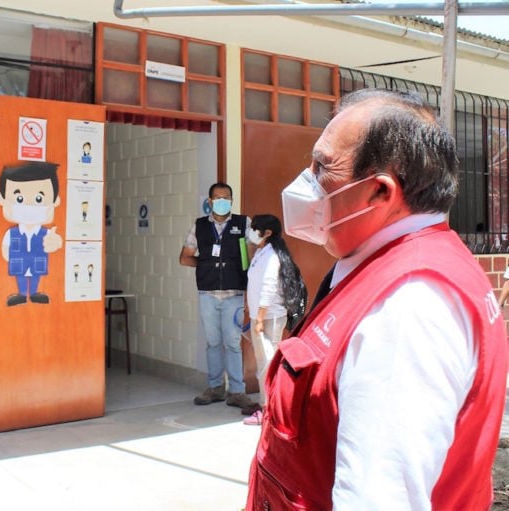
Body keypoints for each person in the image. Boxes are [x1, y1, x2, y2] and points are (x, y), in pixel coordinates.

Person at [246, 88, 509, 510]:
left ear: (381, 192)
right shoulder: (383, 264)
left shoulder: (407, 306)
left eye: (322, 167)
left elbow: (378, 497)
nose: (305, 180)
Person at [180, 182, 256, 410]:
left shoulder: (244, 224)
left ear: (231, 201)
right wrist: (206, 266)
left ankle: (237, 391)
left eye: (227, 197)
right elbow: (185, 257)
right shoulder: (200, 226)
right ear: (210, 202)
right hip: (208, 293)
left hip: (234, 293)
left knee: (233, 343)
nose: (223, 201)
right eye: (218, 198)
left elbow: (254, 255)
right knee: (213, 342)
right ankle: (215, 388)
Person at [242, 214, 303, 425]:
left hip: (268, 317)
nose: (251, 232)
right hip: (261, 315)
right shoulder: (262, 252)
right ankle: (266, 404)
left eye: (255, 228)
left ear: (267, 233)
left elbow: (268, 287)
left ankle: (267, 408)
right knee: (265, 361)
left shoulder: (272, 255)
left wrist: (258, 318)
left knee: (267, 363)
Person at [0, 161, 63, 306]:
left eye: (39, 199)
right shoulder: (12, 232)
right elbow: (6, 245)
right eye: (19, 199)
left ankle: (33, 293)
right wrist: (7, 254)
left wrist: (55, 242)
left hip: (36, 261)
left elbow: (54, 242)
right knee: (20, 276)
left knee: (35, 276)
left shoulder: (45, 232)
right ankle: (21, 294)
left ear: (55, 202)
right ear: (2, 200)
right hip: (19, 261)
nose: (29, 207)